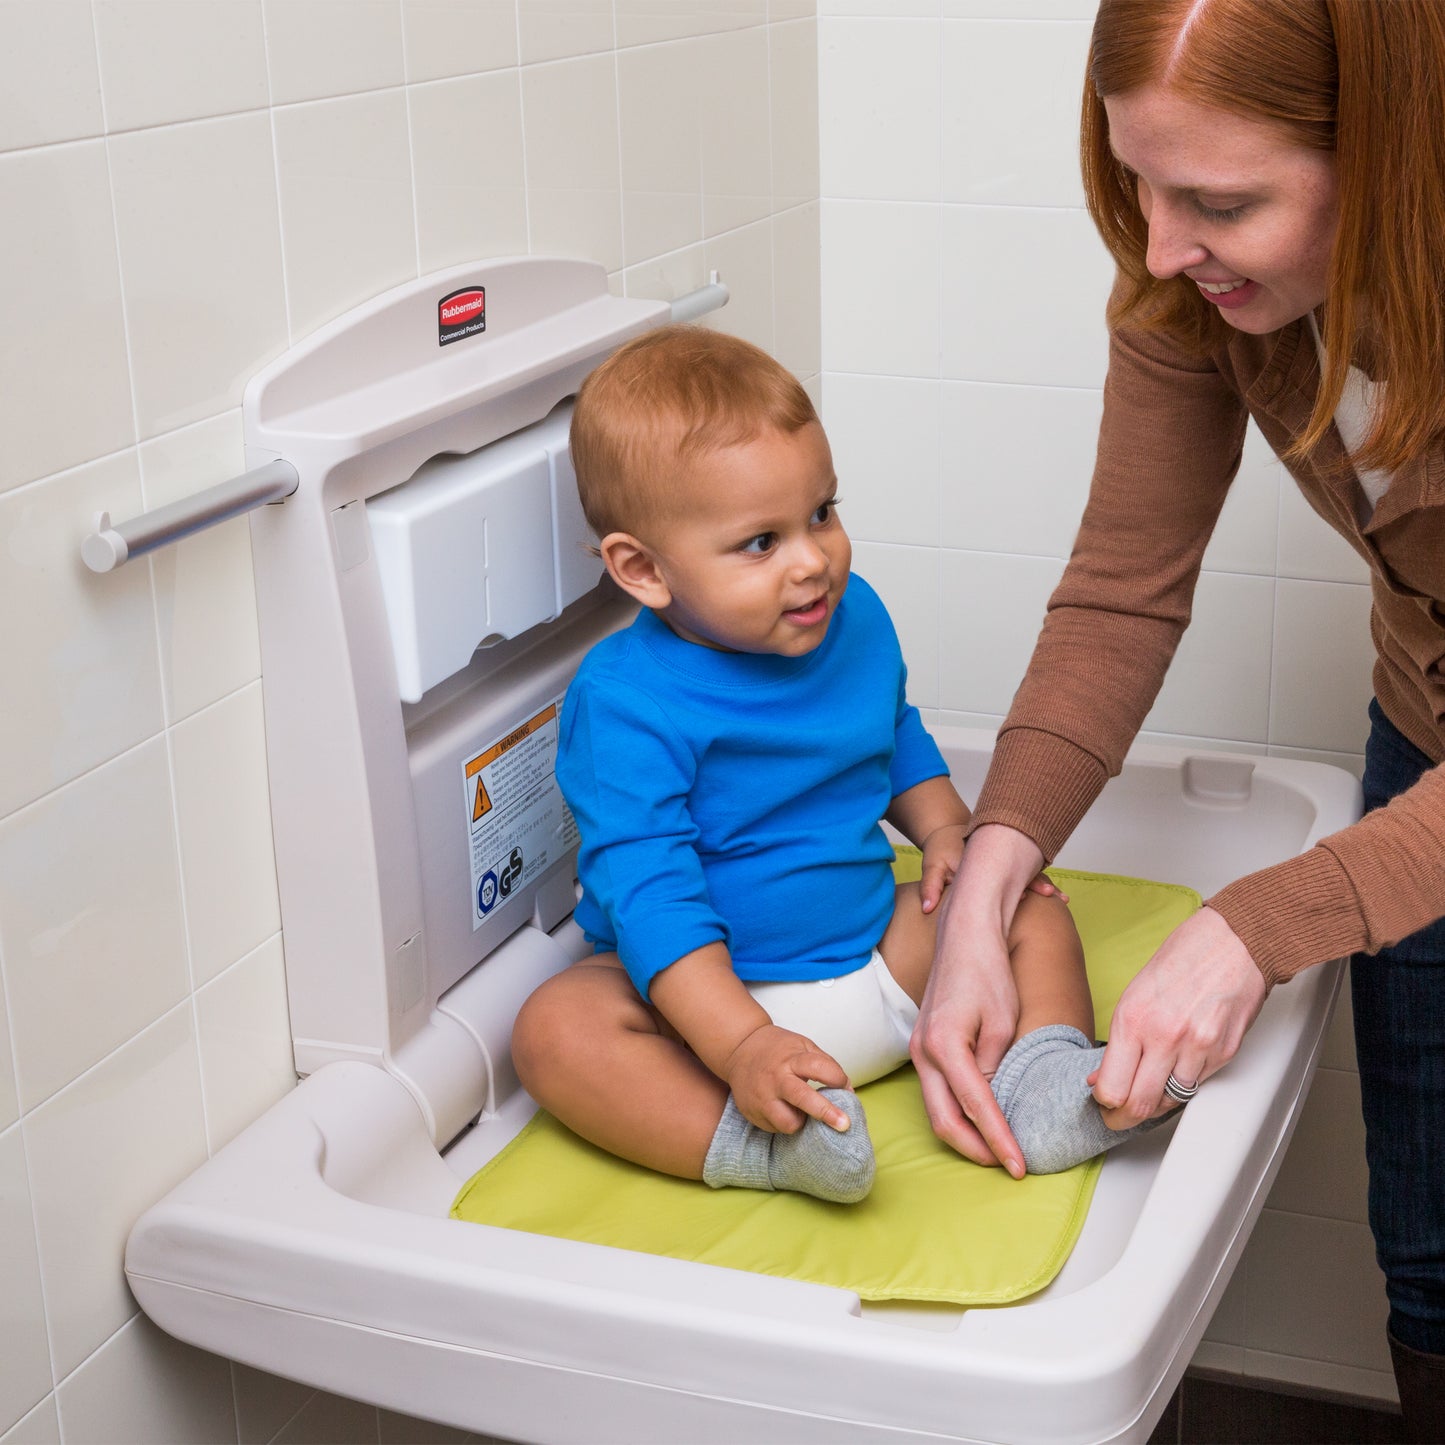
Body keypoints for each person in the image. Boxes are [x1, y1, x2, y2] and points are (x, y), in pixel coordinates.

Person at [911, 1, 1445, 1433]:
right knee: (1436, 1218)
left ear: (1390, 156)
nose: (1157, 247)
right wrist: (987, 881)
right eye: (1136, 181)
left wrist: (1253, 924)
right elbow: (1118, 596)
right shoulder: (1186, 289)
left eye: (1221, 201)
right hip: (1426, 744)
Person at [512, 324, 1141, 1207]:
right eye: (760, 543)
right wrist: (739, 1045)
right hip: (703, 1018)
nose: (814, 560)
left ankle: (1038, 1078)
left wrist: (946, 829)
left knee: (1021, 902)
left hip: (875, 958)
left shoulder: (850, 618)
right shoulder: (622, 702)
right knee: (555, 1030)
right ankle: (760, 1144)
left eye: (821, 513)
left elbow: (892, 735)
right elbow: (649, 895)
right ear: (644, 569)